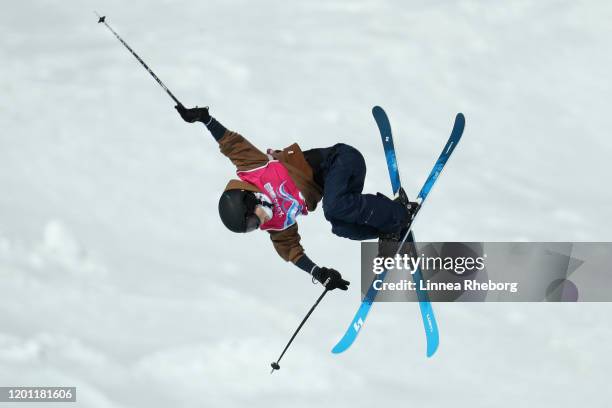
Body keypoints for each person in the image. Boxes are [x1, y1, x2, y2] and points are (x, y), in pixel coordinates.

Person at [175, 104, 416, 292]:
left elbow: (230, 143)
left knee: (334, 209)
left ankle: (399, 212)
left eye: (251, 221)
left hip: (340, 160)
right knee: (340, 227)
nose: (257, 225)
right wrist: (320, 273)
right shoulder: (275, 225)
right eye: (250, 229)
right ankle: (390, 230)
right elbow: (292, 252)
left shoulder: (253, 169)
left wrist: (204, 119)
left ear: (250, 199)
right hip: (342, 189)